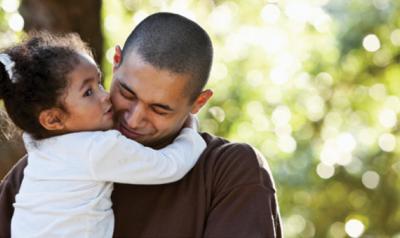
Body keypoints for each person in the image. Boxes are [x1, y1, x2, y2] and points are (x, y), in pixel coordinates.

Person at [0, 12, 282, 237]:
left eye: (159, 109)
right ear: (116, 61)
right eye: (126, 93)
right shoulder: (36, 174)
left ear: (198, 103)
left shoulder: (228, 171)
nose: (133, 119)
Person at [0, 32, 206, 237]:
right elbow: (169, 166)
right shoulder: (98, 148)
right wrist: (190, 131)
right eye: (88, 92)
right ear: (53, 120)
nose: (105, 96)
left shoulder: (39, 148)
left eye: (98, 84)